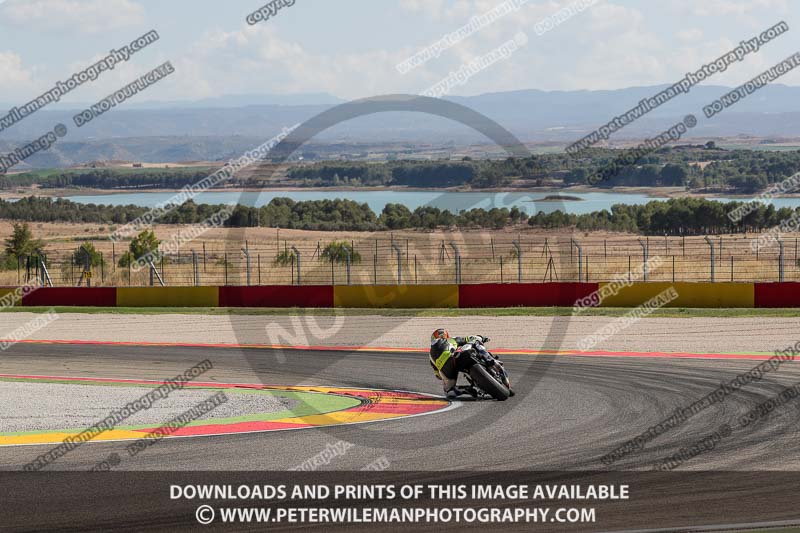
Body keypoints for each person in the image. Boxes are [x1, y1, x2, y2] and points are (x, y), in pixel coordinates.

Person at [429, 328, 491, 399]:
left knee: (449, 392)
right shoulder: (451, 339)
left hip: (447, 369)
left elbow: (438, 375)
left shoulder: (431, 356)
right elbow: (467, 339)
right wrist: (481, 337)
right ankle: (488, 358)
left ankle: (466, 389)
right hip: (457, 357)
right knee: (476, 341)